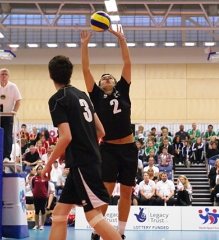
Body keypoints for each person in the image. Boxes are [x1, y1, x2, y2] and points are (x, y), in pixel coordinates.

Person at [41, 55, 121, 240]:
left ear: (51, 75)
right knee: (60, 214)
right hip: (84, 161)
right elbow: (100, 131)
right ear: (70, 74)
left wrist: (48, 164)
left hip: (83, 163)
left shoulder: (57, 99)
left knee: (93, 217)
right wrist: (73, 149)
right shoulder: (82, 95)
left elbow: (66, 136)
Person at [81, 28, 138, 240]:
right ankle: (98, 231)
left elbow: (127, 63)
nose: (106, 79)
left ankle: (120, 232)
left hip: (129, 148)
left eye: (109, 78)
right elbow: (86, 70)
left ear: (114, 83)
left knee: (126, 192)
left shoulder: (123, 90)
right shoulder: (95, 96)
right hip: (108, 148)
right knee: (106, 189)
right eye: (103, 78)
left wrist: (122, 40)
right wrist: (85, 45)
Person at [0, 68, 21, 160]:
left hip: (8, 115)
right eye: (2, 74)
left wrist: (14, 111)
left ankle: (6, 156)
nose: (4, 76)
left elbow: (18, 100)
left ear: (8, 76)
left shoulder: (13, 86)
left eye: (6, 74)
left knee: (7, 136)